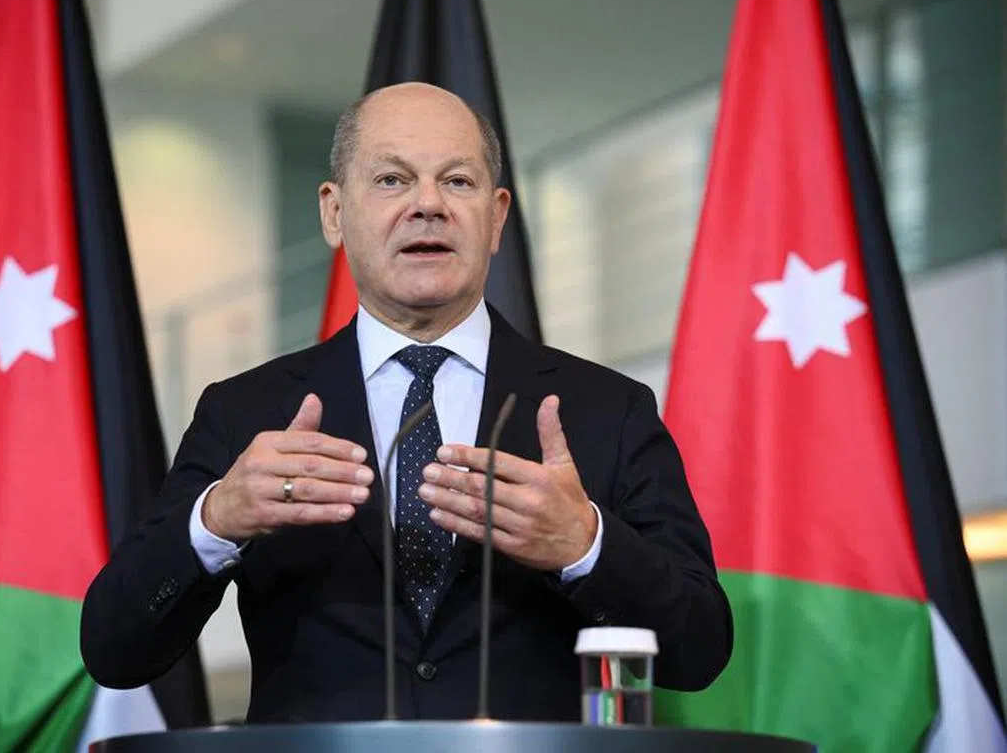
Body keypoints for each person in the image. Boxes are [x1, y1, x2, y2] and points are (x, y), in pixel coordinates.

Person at [80, 82, 732, 723]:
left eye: (458, 181)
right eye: (392, 180)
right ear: (334, 213)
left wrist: (586, 545)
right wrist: (215, 520)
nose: (428, 205)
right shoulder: (246, 412)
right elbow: (115, 649)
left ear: (497, 216)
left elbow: (699, 651)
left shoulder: (606, 410)